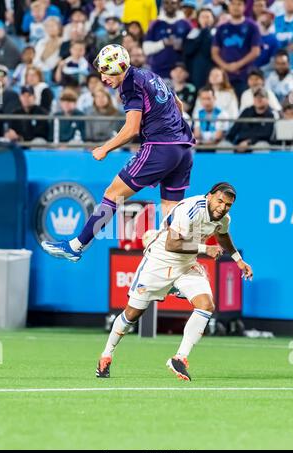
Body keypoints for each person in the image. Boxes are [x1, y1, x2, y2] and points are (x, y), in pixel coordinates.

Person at [42, 44, 195, 261]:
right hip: (184, 150)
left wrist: (104, 148)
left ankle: (76, 246)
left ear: (120, 67)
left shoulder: (130, 84)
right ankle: (180, 269)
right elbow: (178, 105)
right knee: (173, 213)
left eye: (106, 71)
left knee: (113, 195)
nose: (104, 78)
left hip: (160, 148)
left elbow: (131, 129)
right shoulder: (149, 75)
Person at [95, 182, 253, 380]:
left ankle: (180, 358)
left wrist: (238, 259)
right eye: (220, 201)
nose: (222, 207)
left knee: (206, 305)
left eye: (228, 205)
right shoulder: (191, 208)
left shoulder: (223, 218)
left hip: (186, 266)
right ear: (209, 196)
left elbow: (222, 234)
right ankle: (106, 355)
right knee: (132, 314)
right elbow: (172, 244)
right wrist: (205, 249)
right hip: (159, 262)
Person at [212, 0, 261, 100]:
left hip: (244, 75)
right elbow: (214, 52)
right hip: (224, 76)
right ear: (229, 6)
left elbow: (255, 51)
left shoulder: (252, 26)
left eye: (239, 4)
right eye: (233, 4)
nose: (236, 7)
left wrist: (237, 65)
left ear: (244, 7)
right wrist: (226, 66)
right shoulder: (221, 27)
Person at [143, 0, 192, 79]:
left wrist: (182, 46)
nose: (169, 5)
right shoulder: (155, 24)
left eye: (173, 3)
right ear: (162, 4)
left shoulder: (186, 24)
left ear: (178, 4)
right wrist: (163, 43)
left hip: (180, 75)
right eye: (166, 2)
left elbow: (193, 48)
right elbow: (146, 49)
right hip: (158, 72)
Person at [222, 86, 275, 151]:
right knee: (224, 145)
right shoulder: (246, 111)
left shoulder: (270, 115)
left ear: (267, 99)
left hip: (256, 144)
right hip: (240, 143)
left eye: (262, 97)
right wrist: (228, 139)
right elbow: (235, 128)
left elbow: (266, 135)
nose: (258, 99)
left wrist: (249, 142)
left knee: (262, 145)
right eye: (256, 97)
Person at [183, 7, 216, 90]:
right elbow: (188, 51)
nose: (205, 19)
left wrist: (206, 32)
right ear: (198, 19)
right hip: (196, 71)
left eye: (208, 17)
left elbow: (208, 51)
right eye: (203, 17)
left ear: (213, 19)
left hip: (212, 68)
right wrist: (202, 33)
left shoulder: (217, 32)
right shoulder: (192, 33)